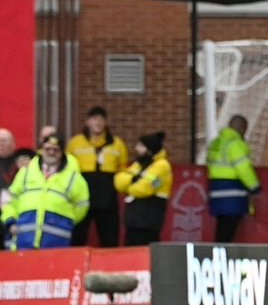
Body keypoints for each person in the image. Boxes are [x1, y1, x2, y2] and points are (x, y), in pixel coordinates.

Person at [2, 134, 89, 250]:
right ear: (41, 150)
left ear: (62, 153)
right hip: (23, 239)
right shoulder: (26, 172)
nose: (51, 152)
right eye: (47, 149)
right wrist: (10, 221)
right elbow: (8, 199)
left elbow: (82, 206)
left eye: (56, 150)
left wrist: (67, 221)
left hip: (57, 241)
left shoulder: (74, 178)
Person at [66, 106, 127, 247]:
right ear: (87, 122)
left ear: (106, 122)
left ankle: (110, 266)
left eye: (101, 119)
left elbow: (122, 170)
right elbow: (68, 169)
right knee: (78, 236)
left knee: (110, 238)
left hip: (108, 197)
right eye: (94, 119)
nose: (98, 123)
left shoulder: (118, 144)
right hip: (82, 195)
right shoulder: (75, 143)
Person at [206, 115, 261, 243]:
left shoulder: (216, 142)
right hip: (232, 191)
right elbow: (244, 168)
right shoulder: (235, 144)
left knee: (222, 228)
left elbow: (209, 163)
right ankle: (222, 257)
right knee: (229, 229)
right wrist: (255, 187)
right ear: (242, 128)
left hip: (216, 190)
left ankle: (218, 254)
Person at [114, 132, 172, 246]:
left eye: (141, 146)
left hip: (148, 221)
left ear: (150, 149)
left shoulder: (162, 166)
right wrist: (133, 180)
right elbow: (119, 181)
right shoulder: (139, 164)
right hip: (134, 221)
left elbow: (145, 189)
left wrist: (129, 187)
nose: (137, 149)